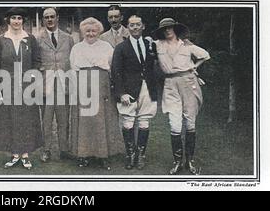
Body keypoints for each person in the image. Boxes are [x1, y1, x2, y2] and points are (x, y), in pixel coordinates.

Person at [153, 18, 210, 175]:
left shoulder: (186, 44)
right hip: (170, 85)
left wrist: (193, 67)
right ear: (161, 31)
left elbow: (205, 55)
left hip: (188, 82)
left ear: (175, 28)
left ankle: (190, 161)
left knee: (190, 122)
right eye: (164, 29)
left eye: (170, 27)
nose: (167, 30)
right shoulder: (158, 44)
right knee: (175, 124)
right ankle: (177, 162)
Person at [0, 7, 43, 170]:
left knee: (26, 120)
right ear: (8, 20)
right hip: (7, 85)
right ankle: (14, 154)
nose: (16, 21)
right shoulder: (1, 39)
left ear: (23, 21)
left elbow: (37, 60)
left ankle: (26, 154)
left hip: (27, 86)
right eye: (13, 18)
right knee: (10, 119)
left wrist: (33, 77)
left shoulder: (30, 39)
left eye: (19, 18)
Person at [69, 17, 122, 170]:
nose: (90, 33)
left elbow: (112, 67)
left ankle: (103, 155)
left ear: (99, 32)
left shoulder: (106, 46)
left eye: (93, 31)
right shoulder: (77, 48)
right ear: (83, 32)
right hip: (83, 85)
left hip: (102, 86)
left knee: (101, 120)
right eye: (87, 31)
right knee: (85, 122)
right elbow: (73, 68)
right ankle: (84, 155)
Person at [111, 15, 158, 170]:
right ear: (128, 27)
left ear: (143, 26)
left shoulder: (150, 44)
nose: (135, 27)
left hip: (147, 88)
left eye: (138, 24)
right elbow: (116, 72)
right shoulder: (121, 48)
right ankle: (130, 155)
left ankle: (141, 155)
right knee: (128, 121)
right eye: (132, 25)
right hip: (129, 90)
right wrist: (121, 93)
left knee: (144, 121)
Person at [37, 7, 74, 162]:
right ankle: (46, 150)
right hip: (46, 86)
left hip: (63, 85)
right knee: (46, 121)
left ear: (57, 18)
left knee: (64, 120)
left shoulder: (68, 38)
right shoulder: (38, 39)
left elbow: (72, 61)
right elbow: (35, 62)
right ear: (43, 20)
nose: (50, 20)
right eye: (46, 17)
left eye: (52, 16)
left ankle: (64, 150)